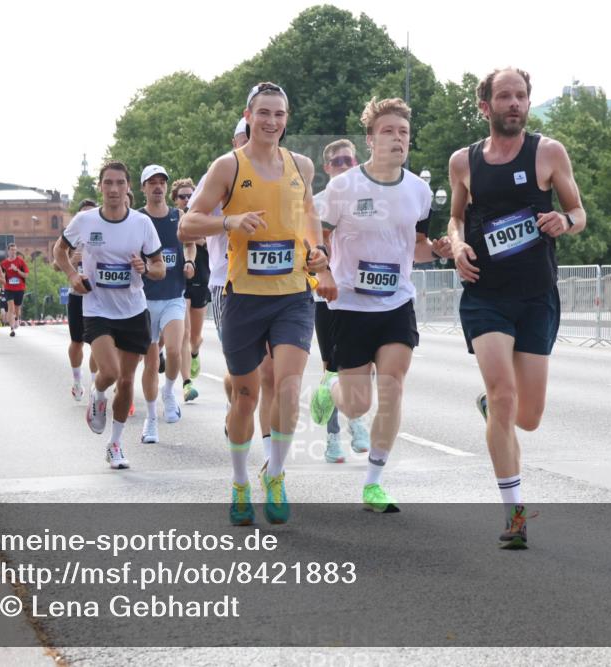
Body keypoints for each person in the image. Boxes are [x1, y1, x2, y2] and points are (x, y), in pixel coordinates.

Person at [447, 68, 586, 549]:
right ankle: (515, 513)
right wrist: (458, 245)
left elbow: (579, 212)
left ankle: (492, 411)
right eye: (504, 96)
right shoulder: (463, 161)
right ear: (484, 106)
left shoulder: (548, 152)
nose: (514, 103)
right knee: (505, 395)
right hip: (486, 293)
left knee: (527, 417)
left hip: (536, 296)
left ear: (529, 103)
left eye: (521, 96)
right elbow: (456, 217)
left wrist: (563, 221)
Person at [181, 84, 328, 526]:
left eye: (279, 114)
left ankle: (277, 475)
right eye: (263, 113)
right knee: (245, 395)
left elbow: (308, 215)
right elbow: (187, 224)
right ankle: (241, 481)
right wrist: (228, 220)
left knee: (286, 386)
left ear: (287, 118)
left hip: (293, 295)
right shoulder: (228, 167)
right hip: (241, 296)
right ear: (248, 115)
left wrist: (318, 252)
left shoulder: (300, 165)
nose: (271, 122)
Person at [310, 98, 450, 512]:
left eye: (403, 133)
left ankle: (374, 481)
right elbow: (317, 236)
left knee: (392, 387)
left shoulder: (420, 191)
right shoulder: (343, 188)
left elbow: (418, 250)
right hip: (350, 306)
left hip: (396, 303)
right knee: (359, 404)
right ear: (370, 139)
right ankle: (330, 387)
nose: (397, 139)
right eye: (388, 131)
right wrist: (325, 272)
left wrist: (438, 250)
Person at [55, 161, 165, 469]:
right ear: (100, 187)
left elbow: (159, 267)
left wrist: (147, 268)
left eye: (120, 183)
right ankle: (98, 391)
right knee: (111, 372)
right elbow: (58, 251)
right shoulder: (85, 221)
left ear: (128, 187)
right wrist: (72, 276)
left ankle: (115, 444)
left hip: (132, 309)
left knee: (128, 381)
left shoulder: (142, 224)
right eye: (108, 183)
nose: (114, 189)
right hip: (97, 307)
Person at [311, 138, 371, 464]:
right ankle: (337, 435)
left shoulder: (370, 199)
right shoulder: (318, 203)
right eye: (338, 162)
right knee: (333, 368)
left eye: (349, 161)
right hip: (328, 298)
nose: (344, 166)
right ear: (327, 168)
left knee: (364, 366)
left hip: (365, 296)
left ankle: (356, 416)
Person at [138, 165, 197, 443]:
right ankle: (151, 419)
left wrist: (189, 260)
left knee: (174, 351)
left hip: (173, 295)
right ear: (143, 188)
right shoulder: (136, 219)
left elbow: (189, 244)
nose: (158, 187)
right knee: (150, 362)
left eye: (162, 182)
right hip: (144, 299)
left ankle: (169, 391)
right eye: (152, 183)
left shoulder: (178, 216)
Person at [55, 198, 100, 401]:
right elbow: (56, 265)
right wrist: (72, 263)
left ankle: (94, 383)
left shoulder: (103, 234)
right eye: (84, 214)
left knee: (98, 343)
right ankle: (76, 381)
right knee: (77, 342)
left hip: (98, 295)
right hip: (77, 296)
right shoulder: (72, 237)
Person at [174, 177, 207, 403]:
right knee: (184, 334)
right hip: (180, 278)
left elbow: (209, 240)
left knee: (195, 337)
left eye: (190, 196)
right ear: (175, 200)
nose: (186, 199)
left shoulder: (202, 217)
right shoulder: (172, 220)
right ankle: (187, 384)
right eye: (182, 196)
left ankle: (194, 354)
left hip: (201, 279)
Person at [1, 242, 29, 337]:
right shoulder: (4, 264)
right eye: (11, 250)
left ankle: (17, 319)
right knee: (10, 307)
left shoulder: (21, 262)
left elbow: (26, 275)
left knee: (17, 308)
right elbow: (2, 277)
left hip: (19, 288)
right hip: (8, 288)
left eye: (15, 250)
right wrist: (2, 283)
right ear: (8, 251)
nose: (13, 252)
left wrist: (17, 270)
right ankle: (12, 328)